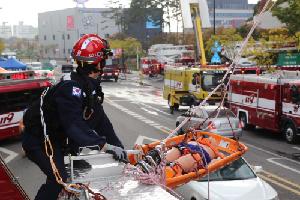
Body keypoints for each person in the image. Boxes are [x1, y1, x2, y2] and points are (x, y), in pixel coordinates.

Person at [22, 34, 126, 200]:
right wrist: (105, 146)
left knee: (72, 175)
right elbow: (74, 126)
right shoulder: (71, 88)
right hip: (39, 141)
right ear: (98, 63)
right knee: (59, 180)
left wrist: (120, 149)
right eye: (104, 59)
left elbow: (102, 122)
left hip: (56, 138)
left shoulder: (88, 86)